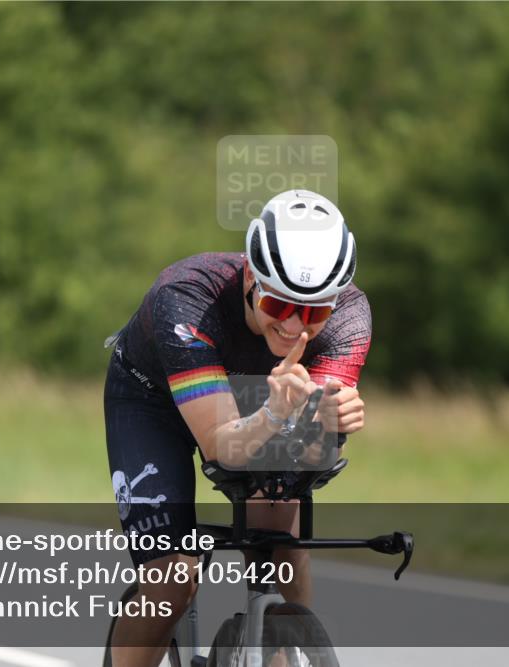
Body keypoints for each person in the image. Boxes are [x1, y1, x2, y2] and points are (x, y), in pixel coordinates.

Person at [104, 189, 370, 666]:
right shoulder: (184, 299)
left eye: (313, 312)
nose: (294, 326)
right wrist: (273, 415)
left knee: (280, 548)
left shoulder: (349, 316)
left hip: (265, 396)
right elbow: (222, 446)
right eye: (277, 305)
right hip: (155, 399)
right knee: (171, 580)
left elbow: (309, 455)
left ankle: (281, 656)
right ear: (250, 275)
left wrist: (332, 425)